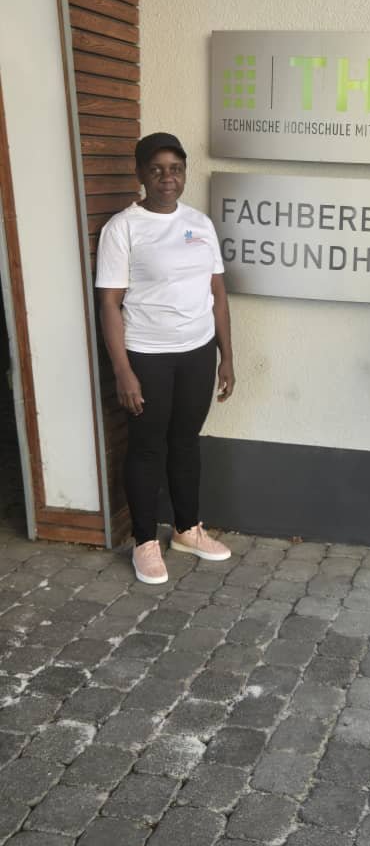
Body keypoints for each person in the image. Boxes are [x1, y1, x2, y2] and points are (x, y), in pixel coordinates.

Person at [96, 132, 235, 584]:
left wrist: (226, 356)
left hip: (197, 351)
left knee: (186, 441)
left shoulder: (200, 223)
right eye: (156, 170)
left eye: (175, 169)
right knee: (147, 447)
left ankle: (187, 529)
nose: (167, 178)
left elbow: (217, 293)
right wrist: (123, 371)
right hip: (148, 355)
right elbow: (109, 303)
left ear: (184, 173)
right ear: (139, 174)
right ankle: (144, 542)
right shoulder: (123, 228)